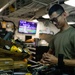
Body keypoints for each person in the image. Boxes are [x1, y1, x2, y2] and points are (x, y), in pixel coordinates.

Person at [41, 4, 75, 74]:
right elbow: (49, 53)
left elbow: (56, 60)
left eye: (55, 19)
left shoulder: (73, 34)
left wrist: (58, 61)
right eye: (51, 21)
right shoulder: (55, 36)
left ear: (64, 15)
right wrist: (45, 57)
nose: (54, 23)